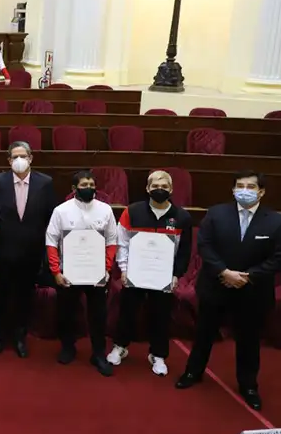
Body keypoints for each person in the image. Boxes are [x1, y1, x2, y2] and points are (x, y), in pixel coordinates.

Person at [176, 171, 281, 411]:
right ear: (233, 190)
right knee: (203, 334)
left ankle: (248, 385)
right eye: (240, 185)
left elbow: (278, 257)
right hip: (216, 285)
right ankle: (193, 372)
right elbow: (204, 245)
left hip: (252, 289)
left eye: (250, 186)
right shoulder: (216, 213)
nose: (244, 190)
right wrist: (224, 272)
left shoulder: (275, 221)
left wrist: (249, 276)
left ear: (261, 192)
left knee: (249, 340)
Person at [107, 170, 193, 377]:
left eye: (164, 186)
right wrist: (125, 270)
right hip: (135, 274)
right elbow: (123, 243)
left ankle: (158, 354)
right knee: (127, 311)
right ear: (147, 188)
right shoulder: (132, 211)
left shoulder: (182, 217)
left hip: (163, 276)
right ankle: (120, 346)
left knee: (161, 316)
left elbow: (184, 251)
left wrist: (176, 275)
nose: (159, 190)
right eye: (155, 186)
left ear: (171, 190)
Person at [0, 141, 56, 358]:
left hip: (31, 252)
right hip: (3, 251)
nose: (19, 160)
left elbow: (50, 218)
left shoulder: (45, 183)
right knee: (0, 296)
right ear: (8, 160)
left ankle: (19, 337)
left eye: (22, 156)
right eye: (14, 156)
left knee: (24, 298)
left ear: (31, 158)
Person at [46, 170, 118, 377]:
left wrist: (106, 269)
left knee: (98, 315)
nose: (89, 188)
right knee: (66, 313)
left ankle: (98, 354)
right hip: (68, 273)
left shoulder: (105, 210)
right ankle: (68, 347)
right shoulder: (61, 211)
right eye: (84, 184)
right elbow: (51, 241)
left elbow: (112, 241)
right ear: (74, 188)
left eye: (92, 184)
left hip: (97, 274)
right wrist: (56, 271)